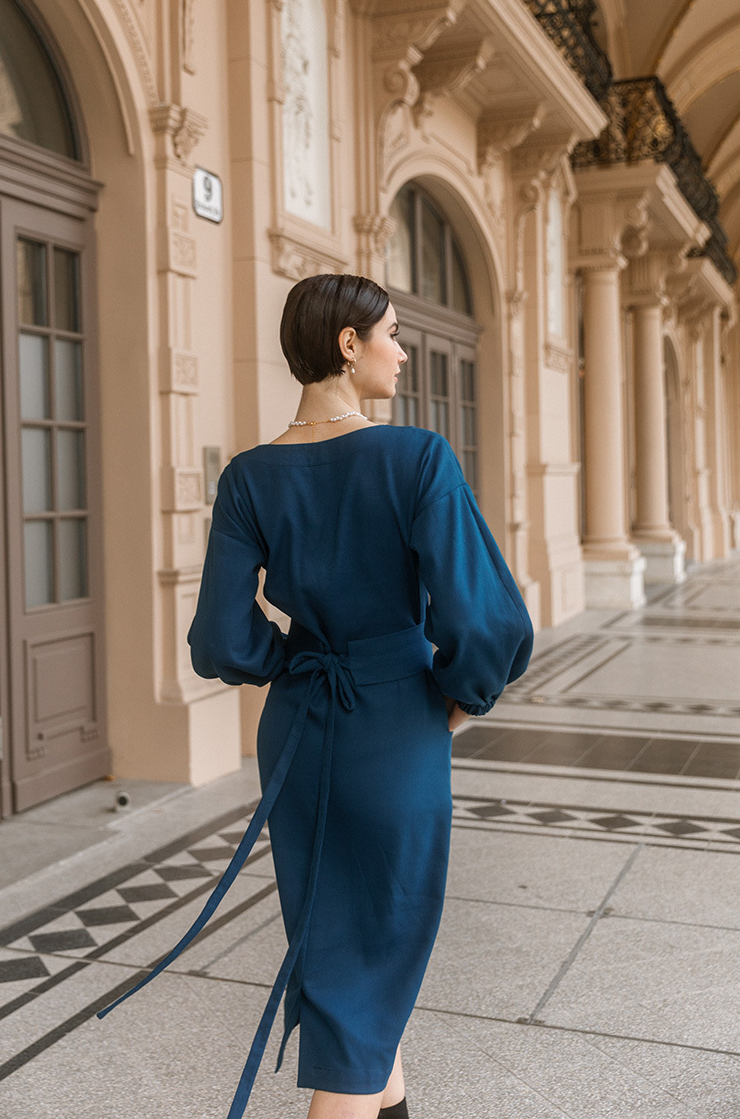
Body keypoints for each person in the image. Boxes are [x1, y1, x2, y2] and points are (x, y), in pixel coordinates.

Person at [98, 274, 533, 1118]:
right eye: (393, 334)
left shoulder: (249, 477)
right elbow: (487, 624)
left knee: (348, 960)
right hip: (394, 726)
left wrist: (291, 661)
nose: (402, 351)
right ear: (348, 343)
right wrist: (453, 702)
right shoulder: (416, 457)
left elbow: (221, 640)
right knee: (365, 964)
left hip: (298, 728)